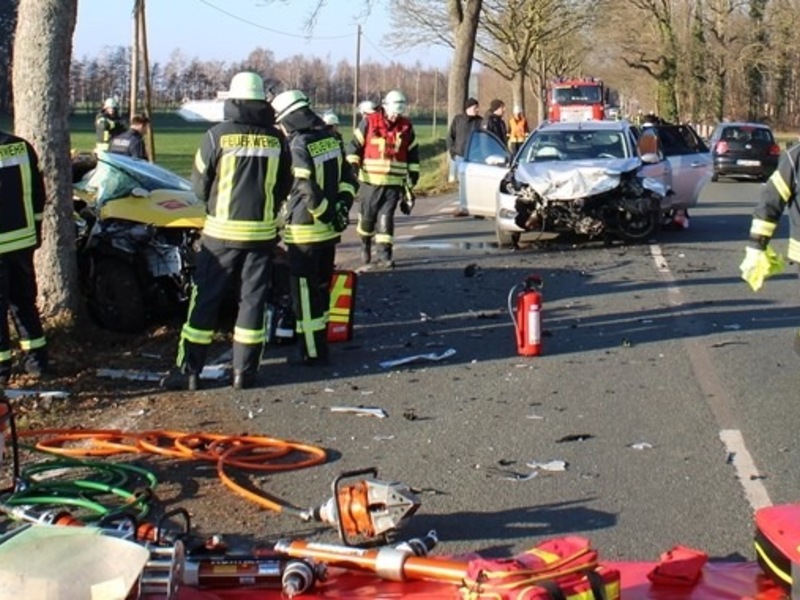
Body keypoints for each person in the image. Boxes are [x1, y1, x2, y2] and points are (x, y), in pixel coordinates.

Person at [161, 72, 292, 391]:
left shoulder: (216, 136)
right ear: (262, 101)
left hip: (220, 235)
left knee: (205, 299)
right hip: (260, 236)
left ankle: (190, 372)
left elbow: (199, 186)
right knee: (253, 302)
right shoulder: (277, 140)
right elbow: (284, 185)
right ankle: (244, 373)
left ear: (233, 100)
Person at [271, 90, 358, 365]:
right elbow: (348, 179)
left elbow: (305, 187)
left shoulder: (298, 144)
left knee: (305, 294)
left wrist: (323, 212)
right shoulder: (330, 139)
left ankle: (312, 351)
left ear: (289, 118)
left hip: (304, 231)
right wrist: (340, 208)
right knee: (321, 288)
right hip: (329, 232)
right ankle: (321, 342)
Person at [346, 89, 419, 268]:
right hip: (370, 182)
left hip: (394, 183)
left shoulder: (406, 126)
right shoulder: (369, 122)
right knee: (367, 218)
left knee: (386, 219)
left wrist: (413, 173)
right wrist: (353, 164)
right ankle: (365, 243)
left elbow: (412, 152)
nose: (395, 116)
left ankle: (385, 255)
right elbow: (354, 145)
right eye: (393, 113)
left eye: (399, 113)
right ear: (385, 107)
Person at [741, 143, 800, 355]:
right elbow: (771, 202)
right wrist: (757, 245)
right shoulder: (795, 157)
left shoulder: (795, 156)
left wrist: (757, 246)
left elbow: (770, 202)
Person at [0, 129, 48, 385]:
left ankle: (1, 372)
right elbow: (39, 193)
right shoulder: (21, 147)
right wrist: (36, 230)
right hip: (23, 242)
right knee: (24, 303)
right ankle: (37, 362)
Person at [446, 97, 482, 185]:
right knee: (458, 182)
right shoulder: (458, 119)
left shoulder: (480, 121)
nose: (477, 110)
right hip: (459, 155)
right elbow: (450, 136)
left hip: (474, 157)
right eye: (475, 108)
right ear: (468, 108)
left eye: (477, 107)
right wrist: (452, 152)